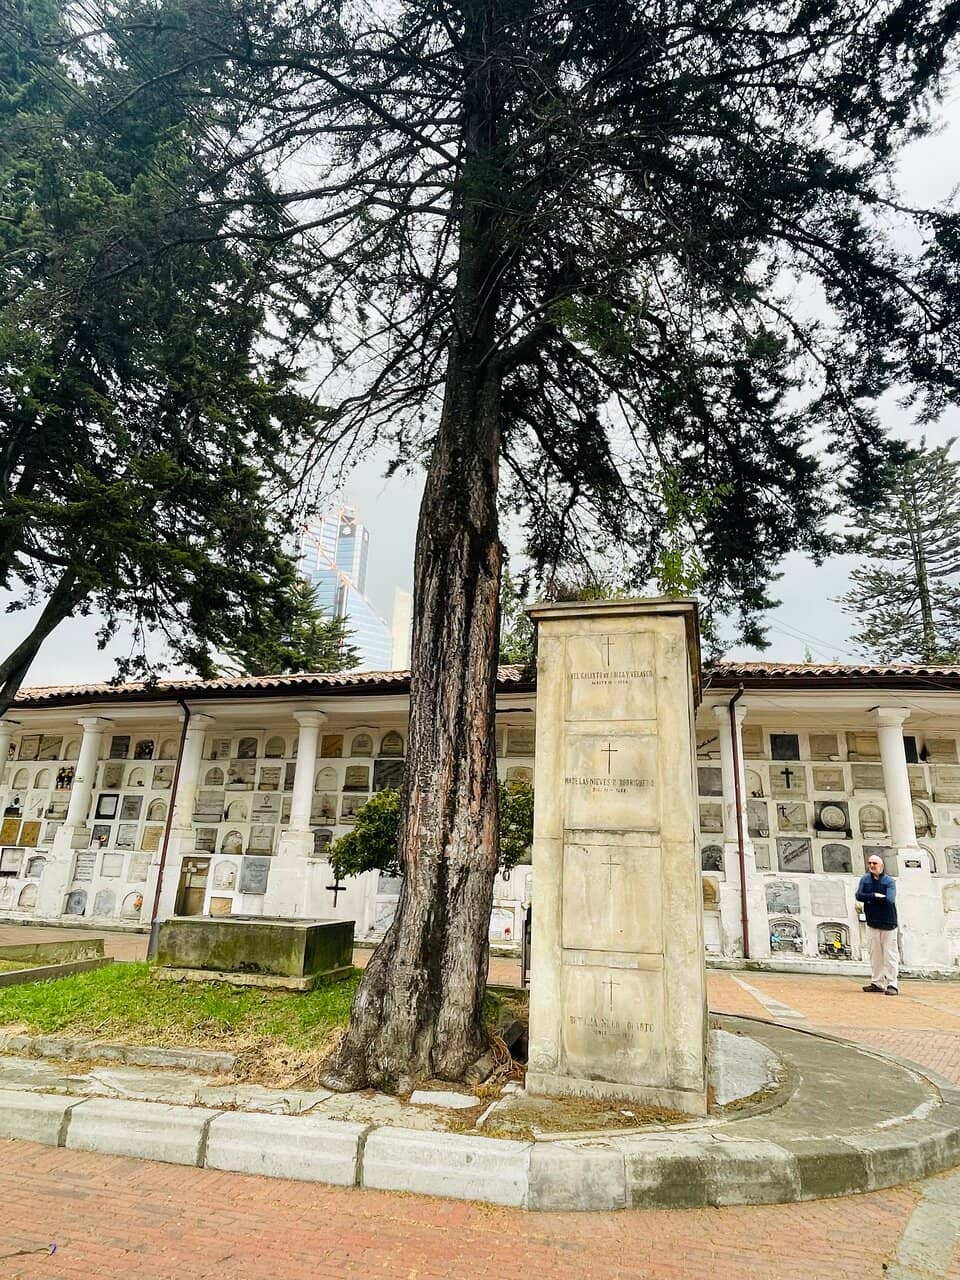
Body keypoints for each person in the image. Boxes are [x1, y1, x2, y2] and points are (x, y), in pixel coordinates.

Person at [856, 854, 899, 995]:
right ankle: (877, 982)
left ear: (881, 865)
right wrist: (874, 896)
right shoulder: (865, 879)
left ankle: (892, 984)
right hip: (872, 921)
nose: (872, 866)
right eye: (870, 863)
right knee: (875, 954)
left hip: (888, 922)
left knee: (890, 954)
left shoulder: (889, 881)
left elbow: (890, 899)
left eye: (875, 863)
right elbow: (859, 895)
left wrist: (870, 898)